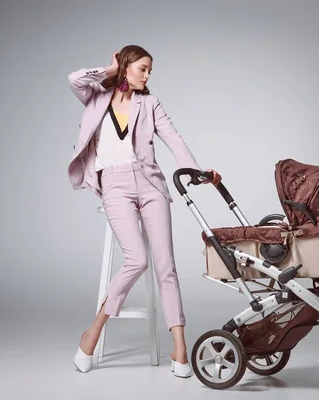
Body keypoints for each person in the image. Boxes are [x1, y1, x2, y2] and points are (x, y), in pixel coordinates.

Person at [67, 44, 221, 377]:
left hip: (151, 185)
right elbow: (74, 79)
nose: (148, 75)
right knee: (137, 258)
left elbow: (173, 138)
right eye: (143, 68)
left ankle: (179, 347)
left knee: (166, 265)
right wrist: (109, 72)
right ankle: (93, 330)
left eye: (150, 70)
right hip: (115, 185)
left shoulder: (150, 103)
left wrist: (196, 172)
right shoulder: (96, 98)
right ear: (125, 66)